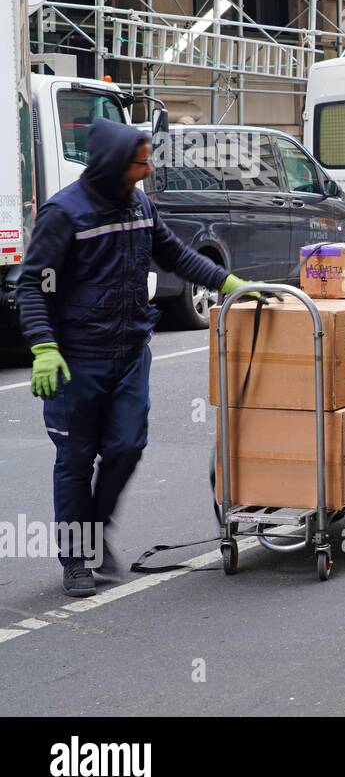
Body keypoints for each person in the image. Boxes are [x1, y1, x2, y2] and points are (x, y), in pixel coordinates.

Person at [17, 118, 253, 596]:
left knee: (126, 446)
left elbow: (174, 254)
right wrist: (43, 347)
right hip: (76, 360)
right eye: (140, 162)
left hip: (129, 352)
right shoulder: (64, 214)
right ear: (112, 164)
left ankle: (94, 531)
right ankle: (77, 559)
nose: (147, 170)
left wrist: (228, 284)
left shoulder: (138, 203)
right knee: (76, 461)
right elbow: (31, 284)